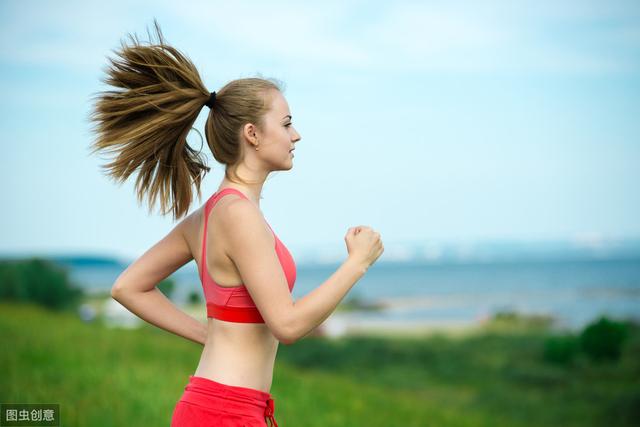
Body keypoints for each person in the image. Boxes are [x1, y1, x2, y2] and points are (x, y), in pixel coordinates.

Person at [89, 20, 384, 427]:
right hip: (225, 412)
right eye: (285, 124)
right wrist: (356, 264)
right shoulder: (239, 215)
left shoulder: (213, 214)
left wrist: (209, 335)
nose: (296, 135)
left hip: (226, 407)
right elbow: (288, 324)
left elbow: (129, 286)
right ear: (252, 134)